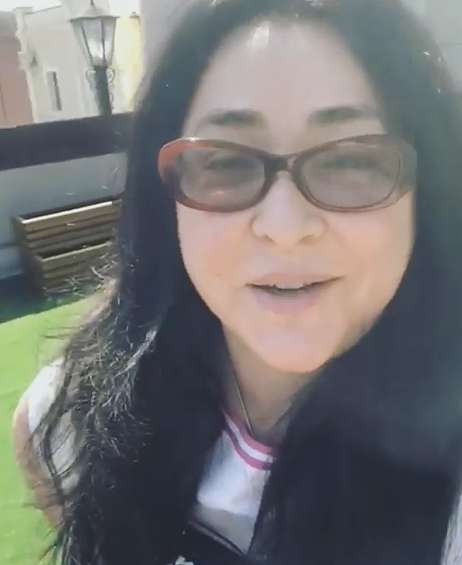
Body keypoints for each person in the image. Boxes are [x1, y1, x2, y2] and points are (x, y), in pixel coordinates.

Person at [12, 0, 462, 563]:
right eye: (225, 163)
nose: (284, 227)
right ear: (167, 200)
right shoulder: (76, 420)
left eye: (350, 161)